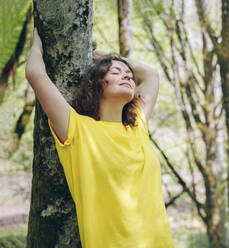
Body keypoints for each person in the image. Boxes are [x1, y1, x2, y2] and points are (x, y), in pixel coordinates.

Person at [25, 28, 176, 248]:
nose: (126, 76)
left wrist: (107, 58)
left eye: (129, 75)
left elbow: (151, 74)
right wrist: (37, 44)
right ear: (97, 84)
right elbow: (35, 74)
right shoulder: (77, 130)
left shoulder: (137, 127)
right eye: (115, 73)